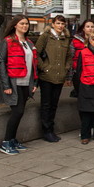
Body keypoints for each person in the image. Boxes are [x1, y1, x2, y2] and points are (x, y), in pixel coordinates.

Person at [0, 15, 38, 155]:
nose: (25, 26)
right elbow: (1, 63)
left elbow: (33, 66)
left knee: (20, 112)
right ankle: (6, 142)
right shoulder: (7, 42)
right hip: (13, 83)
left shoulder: (29, 43)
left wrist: (34, 83)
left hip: (26, 83)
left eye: (26, 24)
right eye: (22, 23)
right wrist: (6, 85)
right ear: (15, 25)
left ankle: (12, 139)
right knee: (17, 111)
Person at [35, 15, 72, 143]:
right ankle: (46, 131)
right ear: (53, 24)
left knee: (54, 104)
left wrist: (66, 68)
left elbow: (68, 56)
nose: (60, 26)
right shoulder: (45, 36)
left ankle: (51, 129)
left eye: (62, 24)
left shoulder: (66, 38)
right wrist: (44, 67)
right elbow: (36, 53)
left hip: (59, 76)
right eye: (58, 23)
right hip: (47, 76)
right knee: (46, 104)